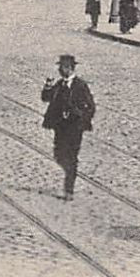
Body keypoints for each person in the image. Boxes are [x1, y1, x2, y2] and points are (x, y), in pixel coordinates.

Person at [40, 54, 95, 202]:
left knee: (71, 156)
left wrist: (82, 120)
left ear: (70, 68)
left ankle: (69, 188)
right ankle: (70, 173)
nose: (59, 70)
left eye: (62, 67)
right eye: (59, 67)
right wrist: (47, 86)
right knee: (58, 154)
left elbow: (90, 107)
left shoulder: (80, 86)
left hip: (74, 128)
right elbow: (46, 98)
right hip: (60, 127)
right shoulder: (59, 85)